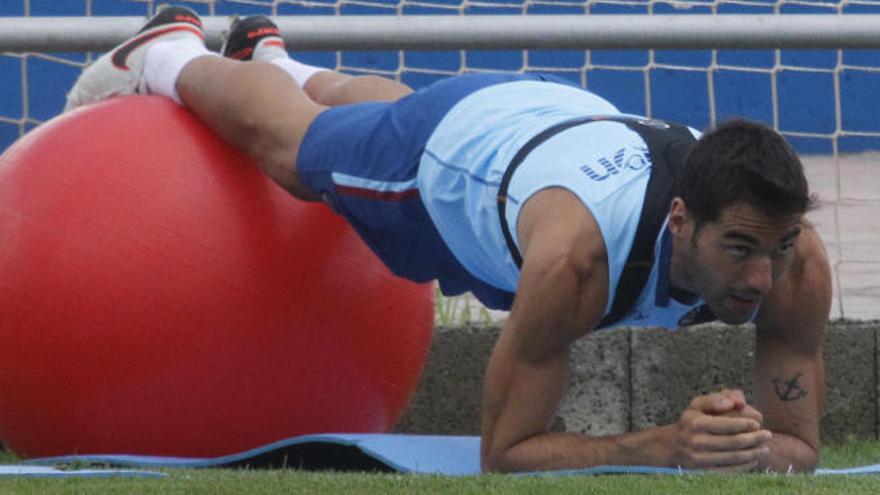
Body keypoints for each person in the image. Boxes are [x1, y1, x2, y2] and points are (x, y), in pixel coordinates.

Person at [65, 6, 832, 473]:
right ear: (681, 221)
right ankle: (168, 53)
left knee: (368, 118)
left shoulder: (795, 264)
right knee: (300, 154)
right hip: (455, 157)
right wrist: (663, 445)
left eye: (778, 246)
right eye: (739, 250)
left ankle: (274, 59)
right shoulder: (577, 260)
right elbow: (504, 454)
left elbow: (798, 442)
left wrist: (741, 447)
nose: (763, 277)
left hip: (547, 124)